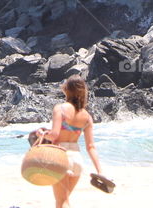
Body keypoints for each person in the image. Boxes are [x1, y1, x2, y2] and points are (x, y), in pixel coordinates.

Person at [35, 75, 103, 208]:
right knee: (63, 202)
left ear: (66, 90)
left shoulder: (60, 109)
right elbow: (91, 147)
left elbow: (54, 135)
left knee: (62, 203)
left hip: (61, 157)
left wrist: (42, 133)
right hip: (77, 160)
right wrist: (100, 171)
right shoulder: (87, 117)